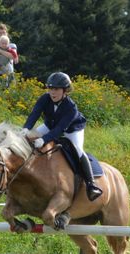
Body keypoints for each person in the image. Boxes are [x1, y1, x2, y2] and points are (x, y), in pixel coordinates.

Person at [20, 72, 103, 201]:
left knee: (79, 151)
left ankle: (91, 185)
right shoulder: (44, 98)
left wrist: (43, 139)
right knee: (27, 140)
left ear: (65, 90)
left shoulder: (71, 107)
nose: (53, 92)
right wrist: (26, 129)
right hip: (50, 125)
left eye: (56, 89)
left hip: (72, 129)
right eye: (51, 89)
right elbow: (34, 114)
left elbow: (60, 130)